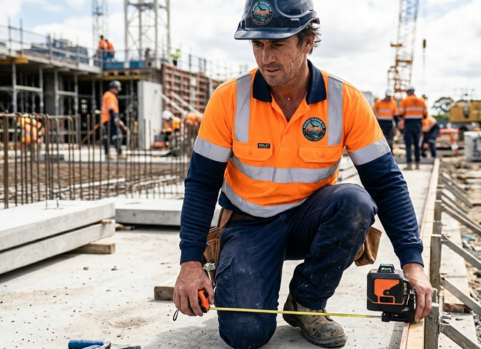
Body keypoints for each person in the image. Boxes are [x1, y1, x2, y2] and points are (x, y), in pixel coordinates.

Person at [173, 1, 433, 348]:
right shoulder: (229, 100)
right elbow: (202, 184)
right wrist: (190, 263)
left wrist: (413, 263)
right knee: (245, 334)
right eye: (258, 45)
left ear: (308, 41)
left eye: (277, 44)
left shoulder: (345, 101)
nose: (266, 57)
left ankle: (306, 302)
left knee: (355, 201)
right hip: (249, 223)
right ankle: (241, 275)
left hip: (310, 220)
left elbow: (385, 183)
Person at [399, 86, 428, 170]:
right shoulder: (421, 100)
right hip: (418, 124)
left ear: (407, 92)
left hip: (408, 124)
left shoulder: (405, 100)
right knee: (417, 145)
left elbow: (400, 113)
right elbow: (425, 115)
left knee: (408, 145)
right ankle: (417, 164)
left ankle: (409, 164)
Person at [101, 80, 124, 159]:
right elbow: (111, 109)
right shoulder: (110, 96)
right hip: (110, 119)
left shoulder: (107, 95)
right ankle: (119, 153)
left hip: (106, 119)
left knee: (107, 137)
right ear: (114, 88)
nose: (118, 91)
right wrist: (115, 118)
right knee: (116, 136)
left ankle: (107, 154)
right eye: (117, 89)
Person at [372, 89, 399, 154]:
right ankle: (379, 154)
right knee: (379, 140)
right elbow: (372, 112)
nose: (389, 98)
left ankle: (390, 154)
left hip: (389, 124)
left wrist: (397, 125)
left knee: (390, 140)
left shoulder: (393, 103)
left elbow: (395, 115)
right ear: (385, 95)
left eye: (390, 96)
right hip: (380, 123)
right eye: (388, 96)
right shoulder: (379, 102)